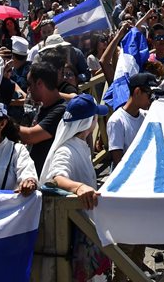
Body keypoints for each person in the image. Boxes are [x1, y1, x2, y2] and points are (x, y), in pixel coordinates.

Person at [41, 94, 111, 282]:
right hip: (73, 234)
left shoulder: (80, 145)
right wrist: (78, 187)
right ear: (88, 122)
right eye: (95, 117)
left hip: (85, 227)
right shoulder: (66, 150)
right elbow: (56, 177)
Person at [107, 72, 160, 166]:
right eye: (150, 95)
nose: (152, 99)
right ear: (137, 92)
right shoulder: (116, 121)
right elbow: (118, 160)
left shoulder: (146, 116)